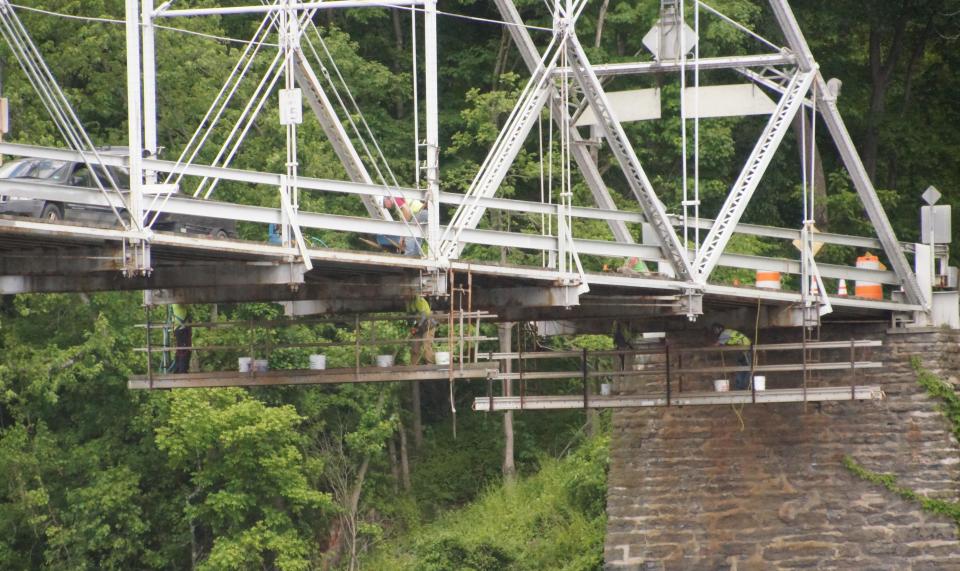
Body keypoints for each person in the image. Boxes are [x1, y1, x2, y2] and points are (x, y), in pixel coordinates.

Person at [712, 322, 751, 390]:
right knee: (743, 368)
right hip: (743, 349)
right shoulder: (727, 332)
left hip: (745, 349)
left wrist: (707, 347)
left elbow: (717, 344)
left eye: (716, 329)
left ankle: (743, 387)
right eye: (714, 330)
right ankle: (742, 387)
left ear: (720, 328)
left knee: (745, 369)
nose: (715, 331)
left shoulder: (724, 333)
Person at [407, 294, 435, 365]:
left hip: (428, 324)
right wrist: (412, 327)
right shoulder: (409, 303)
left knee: (426, 344)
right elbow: (410, 318)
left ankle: (430, 364)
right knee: (414, 345)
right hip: (418, 326)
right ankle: (413, 365)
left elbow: (424, 317)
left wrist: (417, 328)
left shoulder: (419, 301)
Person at [171, 303, 192, 374]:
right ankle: (182, 370)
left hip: (180, 329)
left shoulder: (176, 303)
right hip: (181, 330)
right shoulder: (178, 302)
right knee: (183, 350)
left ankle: (178, 368)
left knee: (181, 349)